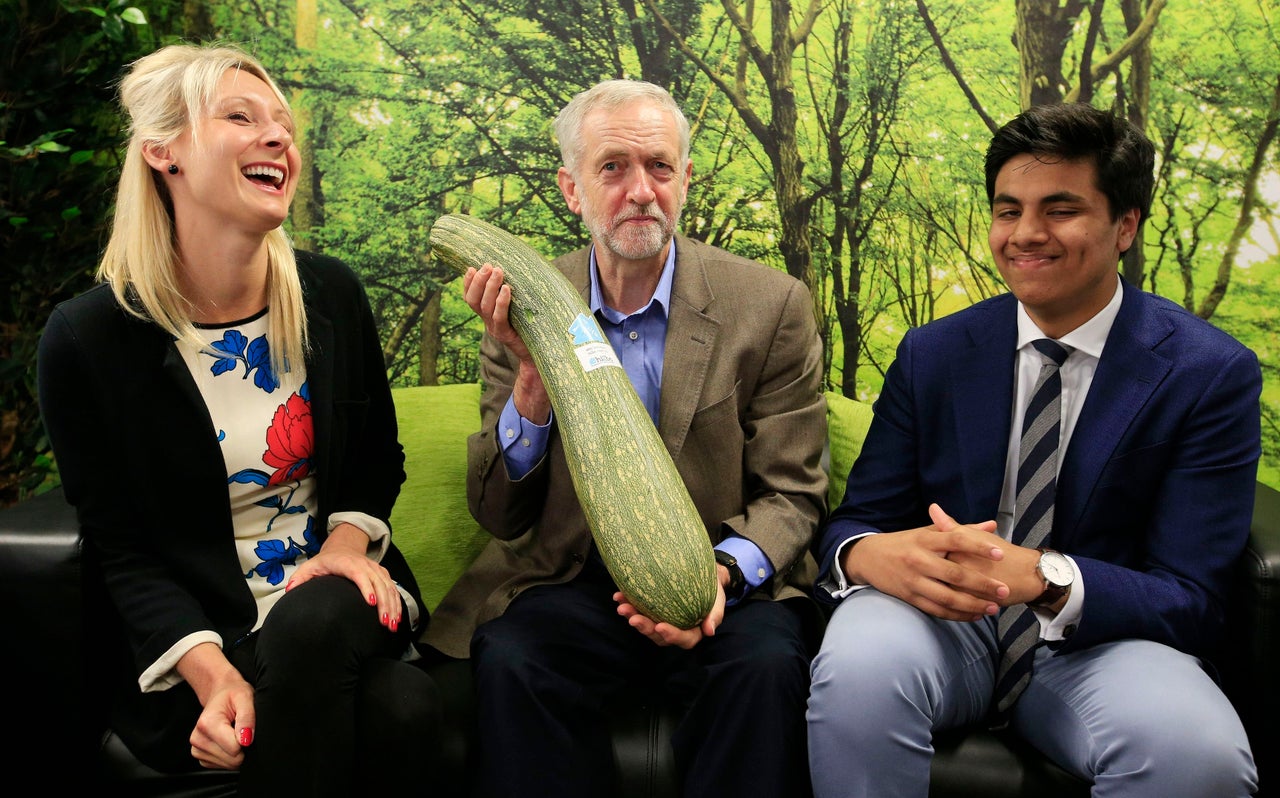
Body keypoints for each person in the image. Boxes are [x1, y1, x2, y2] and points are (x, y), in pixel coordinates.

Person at [806, 101, 1261, 797]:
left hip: (1105, 644)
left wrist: (1048, 579)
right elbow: (858, 519)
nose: (1026, 235)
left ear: (1125, 227)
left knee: (1198, 755)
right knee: (860, 666)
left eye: (1059, 209)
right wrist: (866, 552)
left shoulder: (1208, 374)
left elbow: (1192, 597)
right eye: (1008, 210)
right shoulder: (933, 354)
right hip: (942, 622)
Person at [37, 43, 439, 795]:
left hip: (339, 600)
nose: (278, 137)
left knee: (316, 621)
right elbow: (122, 550)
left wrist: (349, 549)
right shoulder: (86, 340)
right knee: (405, 710)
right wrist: (214, 676)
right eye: (240, 116)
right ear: (165, 153)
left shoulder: (332, 296)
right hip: (203, 637)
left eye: (283, 124)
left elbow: (375, 463)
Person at [419, 79, 828, 798]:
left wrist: (719, 580)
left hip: (722, 587)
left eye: (659, 167)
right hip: (574, 584)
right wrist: (530, 389)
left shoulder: (770, 306)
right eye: (613, 167)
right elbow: (499, 515)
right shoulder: (525, 305)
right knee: (512, 655)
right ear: (572, 188)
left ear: (685, 180)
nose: (640, 189)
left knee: (765, 667)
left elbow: (793, 492)